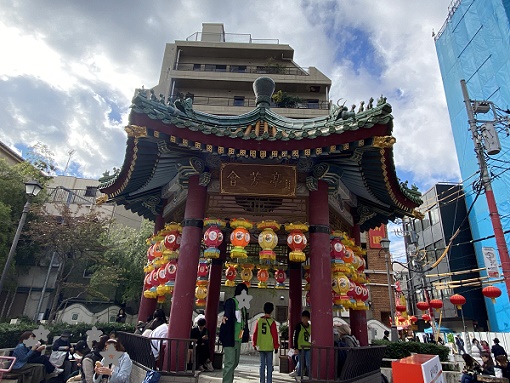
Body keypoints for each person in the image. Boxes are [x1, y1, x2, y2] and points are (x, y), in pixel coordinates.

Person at [219, 282, 250, 383]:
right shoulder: (231, 302)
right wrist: (225, 317)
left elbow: (244, 323)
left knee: (235, 362)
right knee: (230, 362)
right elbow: (227, 313)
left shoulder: (244, 307)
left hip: (238, 338)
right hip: (230, 337)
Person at [253, 302, 279, 383]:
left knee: (262, 365)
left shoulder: (259, 320)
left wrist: (254, 343)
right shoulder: (272, 322)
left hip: (261, 345)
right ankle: (269, 381)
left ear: (264, 310)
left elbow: (255, 333)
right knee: (269, 366)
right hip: (269, 346)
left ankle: (262, 381)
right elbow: (275, 335)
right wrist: (276, 346)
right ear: (272, 311)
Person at [289, 310, 311, 379]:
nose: (304, 320)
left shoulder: (311, 327)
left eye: (306, 318)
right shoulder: (298, 326)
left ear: (308, 319)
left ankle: (308, 375)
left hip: (308, 347)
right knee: (300, 362)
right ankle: (299, 375)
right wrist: (295, 347)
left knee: (308, 363)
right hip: (300, 347)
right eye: (303, 318)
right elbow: (295, 337)